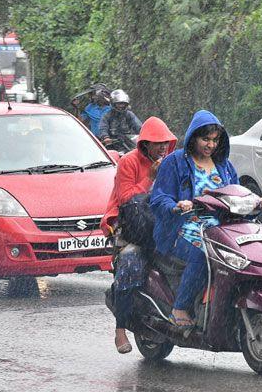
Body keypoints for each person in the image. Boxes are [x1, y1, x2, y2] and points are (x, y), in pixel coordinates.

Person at [150, 110, 262, 326]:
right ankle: (180, 308)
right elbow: (159, 198)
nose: (210, 145)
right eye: (205, 139)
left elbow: (237, 191)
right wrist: (176, 206)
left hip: (223, 226)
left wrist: (257, 200)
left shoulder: (223, 165)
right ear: (193, 137)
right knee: (204, 253)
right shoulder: (174, 162)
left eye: (215, 140)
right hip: (184, 226)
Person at [100, 116, 177, 354]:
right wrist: (150, 178)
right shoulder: (129, 162)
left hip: (160, 225)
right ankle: (121, 328)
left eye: (165, 142)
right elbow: (125, 199)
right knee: (131, 262)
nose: (162, 147)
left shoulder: (170, 163)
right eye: (157, 143)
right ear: (145, 144)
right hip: (130, 227)